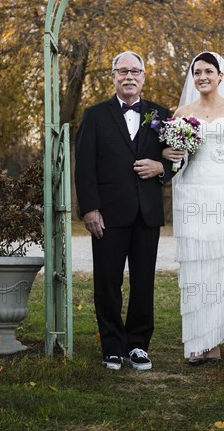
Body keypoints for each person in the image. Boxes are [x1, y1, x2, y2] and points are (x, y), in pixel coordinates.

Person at [75, 50, 173, 371]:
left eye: (135, 71)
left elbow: (176, 158)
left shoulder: (160, 114)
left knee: (144, 281)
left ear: (144, 77)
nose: (129, 77)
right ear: (114, 76)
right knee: (107, 281)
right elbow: (84, 166)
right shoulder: (95, 115)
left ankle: (138, 345)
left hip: (147, 213)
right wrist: (90, 208)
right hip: (107, 214)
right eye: (123, 71)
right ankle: (113, 346)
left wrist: (160, 166)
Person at [163, 51, 224, 364]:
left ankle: (215, 340)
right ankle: (195, 341)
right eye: (196, 72)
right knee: (195, 270)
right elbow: (170, 155)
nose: (202, 77)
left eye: (208, 71)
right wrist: (168, 150)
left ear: (221, 75)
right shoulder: (181, 112)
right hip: (192, 194)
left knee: (221, 270)